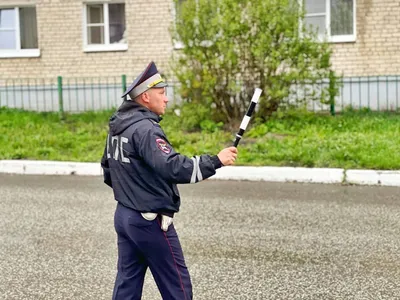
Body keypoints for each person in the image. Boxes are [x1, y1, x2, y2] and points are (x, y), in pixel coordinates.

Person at [101, 61, 238, 300]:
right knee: (178, 287)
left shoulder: (118, 126)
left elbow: (108, 168)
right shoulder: (145, 130)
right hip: (149, 220)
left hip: (125, 216)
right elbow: (173, 167)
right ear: (145, 96)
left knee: (127, 285)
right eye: (162, 93)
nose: (166, 99)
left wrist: (134, 192)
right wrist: (216, 161)